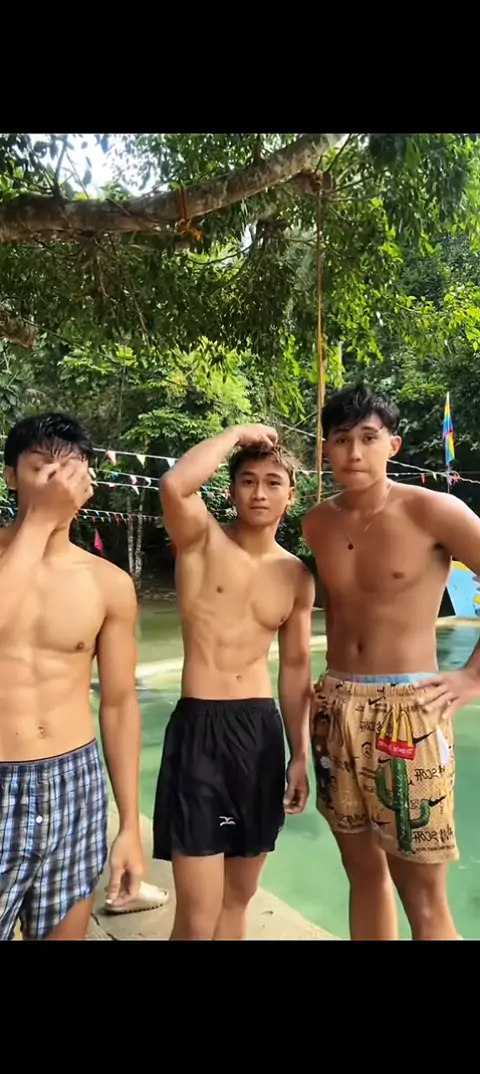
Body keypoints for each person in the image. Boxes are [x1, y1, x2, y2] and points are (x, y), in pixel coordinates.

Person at [303, 382, 480, 942]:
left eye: (368, 438)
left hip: (409, 709)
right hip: (335, 706)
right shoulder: (317, 523)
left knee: (423, 899)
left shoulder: (433, 511)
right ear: (326, 449)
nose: (354, 452)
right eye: (341, 440)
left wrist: (472, 676)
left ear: (393, 445)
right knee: (362, 875)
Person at [154, 424, 315, 940]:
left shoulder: (297, 576)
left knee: (237, 901)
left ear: (291, 496)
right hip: (200, 729)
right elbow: (175, 484)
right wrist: (239, 433)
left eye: (272, 482)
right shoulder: (201, 541)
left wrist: (301, 753)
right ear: (231, 491)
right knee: (197, 917)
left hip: (259, 733)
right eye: (248, 481)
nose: (259, 493)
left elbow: (296, 669)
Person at [0, 412, 145, 940]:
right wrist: (39, 522)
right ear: (11, 476)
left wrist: (129, 825)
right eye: (41, 468)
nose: (56, 483)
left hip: (75, 783)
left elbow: (119, 703)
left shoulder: (107, 583)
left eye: (69, 470)